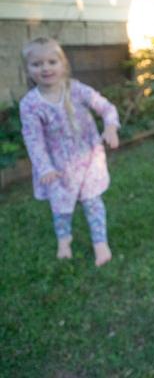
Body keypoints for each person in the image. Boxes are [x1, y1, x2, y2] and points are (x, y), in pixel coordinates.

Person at [19, 37, 120, 267]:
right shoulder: (30, 104)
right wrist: (45, 167)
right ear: (28, 70)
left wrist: (111, 126)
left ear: (63, 64)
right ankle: (64, 240)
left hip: (88, 158)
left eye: (52, 62)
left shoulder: (77, 90)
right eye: (37, 64)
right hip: (58, 167)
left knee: (93, 201)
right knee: (61, 206)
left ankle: (100, 244)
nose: (45, 68)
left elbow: (106, 107)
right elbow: (34, 140)